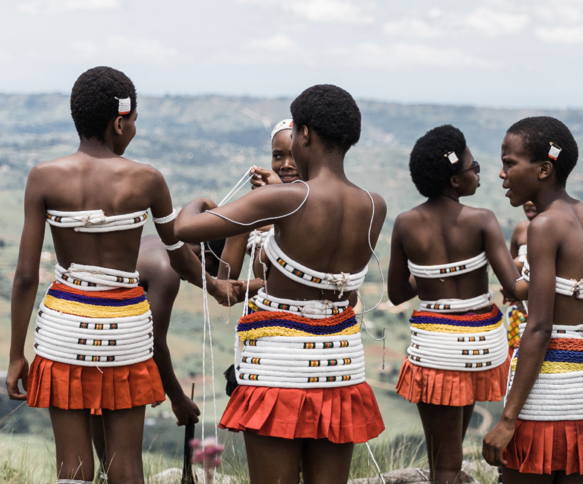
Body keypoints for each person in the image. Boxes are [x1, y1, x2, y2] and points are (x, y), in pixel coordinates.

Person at [6, 67, 226, 484]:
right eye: (135, 121)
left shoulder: (44, 177)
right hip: (126, 332)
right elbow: (178, 256)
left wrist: (18, 353)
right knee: (127, 466)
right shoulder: (147, 180)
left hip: (64, 330)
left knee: (72, 467)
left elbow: (24, 277)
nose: (135, 130)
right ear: (119, 122)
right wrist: (215, 286)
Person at [174, 84, 387, 484]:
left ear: (304, 134)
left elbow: (184, 228)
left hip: (278, 367)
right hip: (341, 365)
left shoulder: (286, 201)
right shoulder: (374, 204)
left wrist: (201, 202)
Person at [482, 116, 583, 483]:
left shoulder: (543, 227)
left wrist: (507, 420)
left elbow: (538, 327)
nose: (502, 174)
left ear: (544, 169)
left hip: (548, 398)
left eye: (509, 163)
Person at [388, 125, 520, 484]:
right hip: (483, 347)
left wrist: (432, 277)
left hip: (437, 351)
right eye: (472, 165)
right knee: (452, 459)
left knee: (443, 464)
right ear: (454, 180)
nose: (478, 171)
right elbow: (514, 286)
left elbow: (398, 293)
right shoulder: (482, 220)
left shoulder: (405, 224)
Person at [91, 237, 228, 475]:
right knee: (127, 471)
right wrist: (177, 398)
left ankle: (105, 474)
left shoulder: (155, 242)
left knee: (107, 461)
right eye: (209, 274)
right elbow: (154, 341)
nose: (202, 281)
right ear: (205, 259)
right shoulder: (167, 268)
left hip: (87, 341)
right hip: (106, 351)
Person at [219, 118, 300, 284]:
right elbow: (224, 286)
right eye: (277, 156)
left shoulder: (326, 208)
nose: (286, 165)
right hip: (262, 309)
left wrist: (280, 196)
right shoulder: (254, 212)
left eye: (294, 156)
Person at [505, 203, 537, 355]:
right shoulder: (521, 229)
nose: (529, 203)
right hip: (519, 310)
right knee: (515, 356)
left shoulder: (558, 229)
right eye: (527, 198)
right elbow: (508, 268)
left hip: (544, 312)